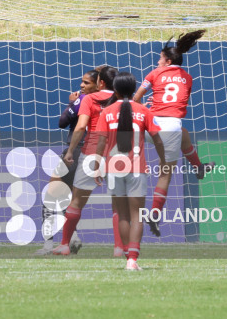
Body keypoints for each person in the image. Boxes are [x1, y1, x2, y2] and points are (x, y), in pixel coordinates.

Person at [132, 30, 215, 237]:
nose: (158, 61)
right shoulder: (188, 78)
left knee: (184, 134)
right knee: (165, 174)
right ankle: (154, 214)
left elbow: (136, 98)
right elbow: (177, 100)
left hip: (149, 126)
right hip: (170, 128)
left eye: (160, 58)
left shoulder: (155, 73)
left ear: (167, 61)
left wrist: (146, 109)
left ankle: (199, 167)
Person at [94, 72, 166, 271]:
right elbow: (158, 139)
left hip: (113, 169)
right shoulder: (143, 110)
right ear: (134, 90)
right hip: (136, 169)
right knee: (137, 216)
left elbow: (101, 142)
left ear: (115, 91)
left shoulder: (106, 112)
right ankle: (132, 259)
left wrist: (97, 165)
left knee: (122, 215)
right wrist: (163, 160)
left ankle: (128, 258)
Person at [54, 65, 118, 256]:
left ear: (100, 83)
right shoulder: (123, 99)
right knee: (119, 204)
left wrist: (70, 151)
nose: (82, 85)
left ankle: (65, 244)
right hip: (117, 155)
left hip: (91, 152)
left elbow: (80, 126)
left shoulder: (88, 99)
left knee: (75, 202)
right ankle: (120, 248)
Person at [35, 69, 100, 255]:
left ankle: (50, 245)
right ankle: (73, 237)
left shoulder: (84, 100)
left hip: (78, 150)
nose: (81, 85)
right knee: (73, 199)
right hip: (97, 154)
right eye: (82, 81)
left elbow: (62, 122)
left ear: (99, 84)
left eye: (86, 82)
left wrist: (72, 103)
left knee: (52, 196)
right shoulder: (111, 101)